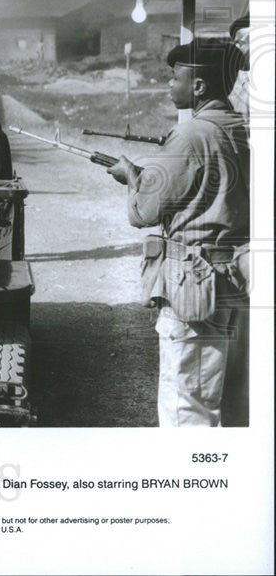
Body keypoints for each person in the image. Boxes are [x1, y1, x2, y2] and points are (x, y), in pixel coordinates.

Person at [107, 39, 249, 427]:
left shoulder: (189, 136)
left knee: (188, 407)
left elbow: (145, 211)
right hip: (243, 283)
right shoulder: (243, 129)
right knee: (238, 407)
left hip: (198, 288)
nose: (169, 84)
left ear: (199, 86)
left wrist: (133, 178)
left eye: (175, 76)